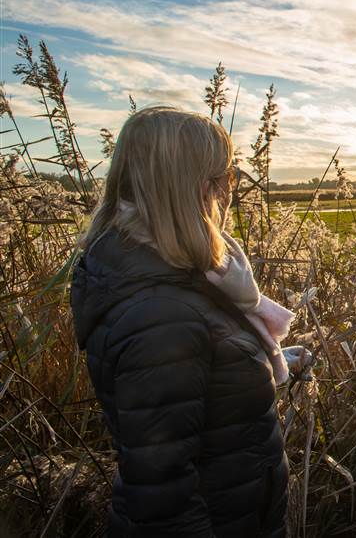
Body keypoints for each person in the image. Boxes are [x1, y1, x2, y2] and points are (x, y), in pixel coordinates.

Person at [72, 106, 311, 537]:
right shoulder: (161, 316)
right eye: (226, 176)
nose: (229, 189)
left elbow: (199, 383)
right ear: (196, 188)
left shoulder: (174, 276)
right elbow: (163, 502)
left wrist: (271, 359)